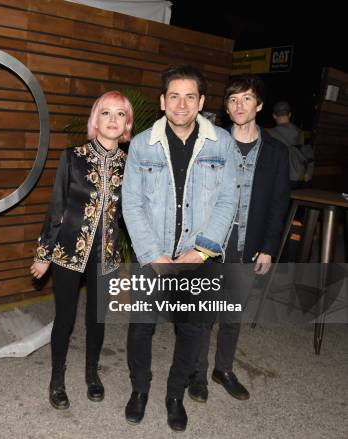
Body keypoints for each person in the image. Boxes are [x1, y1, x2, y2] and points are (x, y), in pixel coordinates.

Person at [121, 65, 237, 432]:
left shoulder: (223, 143)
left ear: (201, 102)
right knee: (141, 328)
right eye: (174, 96)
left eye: (190, 96)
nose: (181, 104)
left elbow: (227, 201)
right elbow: (131, 203)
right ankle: (140, 390)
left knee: (192, 331)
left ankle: (175, 396)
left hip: (197, 259)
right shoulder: (142, 144)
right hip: (151, 255)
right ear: (162, 101)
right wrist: (153, 254)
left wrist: (201, 252)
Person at [188, 75, 290, 404]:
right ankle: (198, 374)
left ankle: (224, 369)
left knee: (232, 315)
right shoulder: (210, 143)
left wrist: (269, 248)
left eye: (246, 99)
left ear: (259, 105)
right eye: (233, 100)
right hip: (211, 244)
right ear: (227, 107)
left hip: (249, 245)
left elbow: (278, 203)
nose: (239, 105)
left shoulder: (275, 151)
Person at [30, 91, 133, 410]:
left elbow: (134, 213)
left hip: (107, 254)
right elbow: (57, 207)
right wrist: (43, 253)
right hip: (68, 252)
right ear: (95, 119)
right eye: (106, 113)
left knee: (97, 319)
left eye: (120, 114)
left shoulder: (132, 164)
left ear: (127, 122)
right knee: (65, 318)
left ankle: (92, 374)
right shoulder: (72, 156)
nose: (113, 120)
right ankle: (57, 379)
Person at [269, 101, 313, 188]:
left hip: (279, 178)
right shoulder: (300, 133)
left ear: (274, 116)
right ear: (289, 114)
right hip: (297, 178)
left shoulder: (270, 134)